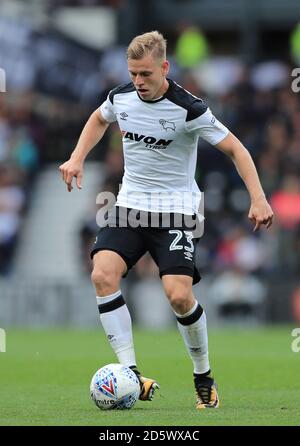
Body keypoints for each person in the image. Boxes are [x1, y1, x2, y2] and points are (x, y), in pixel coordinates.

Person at [59, 31, 274, 409]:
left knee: (178, 295)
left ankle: (203, 375)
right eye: (133, 74)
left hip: (176, 209)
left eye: (145, 74)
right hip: (129, 205)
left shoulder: (188, 108)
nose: (138, 82)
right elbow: (98, 118)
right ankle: (131, 374)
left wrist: (258, 198)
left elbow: (237, 149)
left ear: (164, 67)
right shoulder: (121, 97)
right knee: (101, 274)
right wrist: (77, 157)